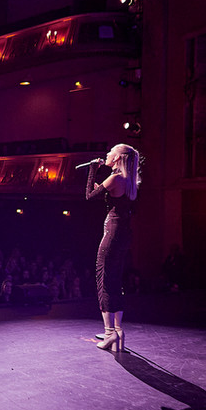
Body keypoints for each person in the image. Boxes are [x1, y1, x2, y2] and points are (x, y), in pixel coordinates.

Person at [86, 143, 140, 352]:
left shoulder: (116, 178)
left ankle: (110, 334)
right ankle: (117, 332)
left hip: (113, 233)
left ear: (118, 158)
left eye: (111, 153)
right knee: (115, 280)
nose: (107, 155)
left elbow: (89, 195)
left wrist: (93, 170)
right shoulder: (131, 180)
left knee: (105, 281)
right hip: (124, 234)